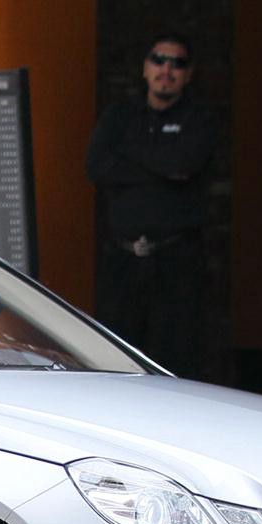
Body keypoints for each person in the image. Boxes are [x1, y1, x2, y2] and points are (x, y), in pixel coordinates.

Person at [85, 32, 216, 378]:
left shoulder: (198, 118)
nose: (167, 70)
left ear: (189, 74)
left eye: (177, 63)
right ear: (145, 68)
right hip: (122, 259)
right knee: (114, 357)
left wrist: (130, 152)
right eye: (159, 60)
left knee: (176, 359)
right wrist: (160, 166)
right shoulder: (120, 115)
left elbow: (183, 165)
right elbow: (96, 166)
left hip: (176, 260)